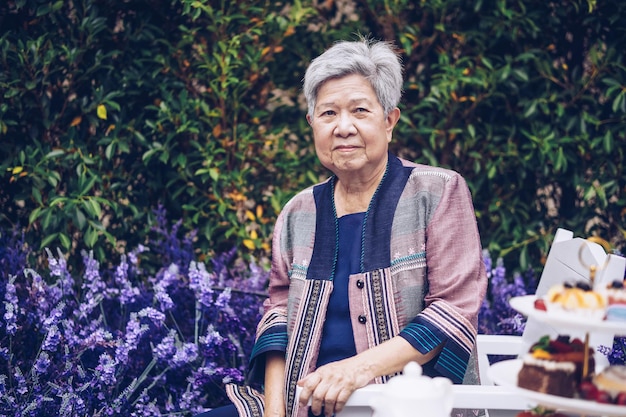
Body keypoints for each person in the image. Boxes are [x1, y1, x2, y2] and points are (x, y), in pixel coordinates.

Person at [196, 37, 487, 417]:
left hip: (403, 406)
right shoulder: (297, 212)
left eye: (360, 111)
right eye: (328, 113)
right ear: (312, 124)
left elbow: (454, 310)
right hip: (302, 404)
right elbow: (278, 315)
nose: (343, 127)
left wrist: (356, 369)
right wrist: (274, 413)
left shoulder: (437, 192)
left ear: (389, 121)